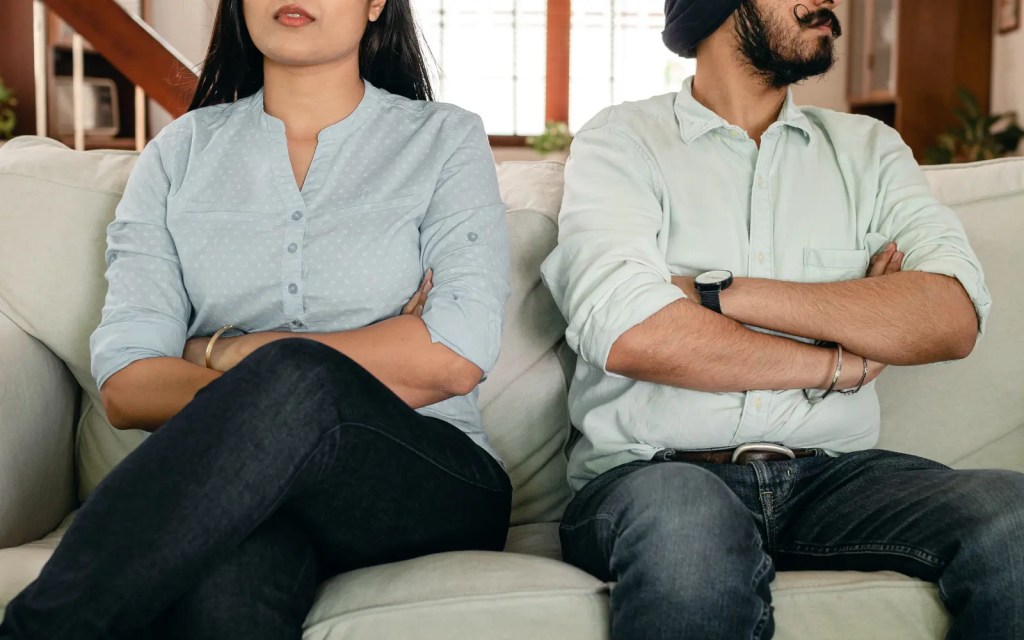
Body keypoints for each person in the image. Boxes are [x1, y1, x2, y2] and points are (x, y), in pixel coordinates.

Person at [0, 1, 512, 638]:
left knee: (296, 376)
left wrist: (226, 353)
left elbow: (451, 357)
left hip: (425, 479)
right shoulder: (178, 154)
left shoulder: (444, 139)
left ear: (376, 1)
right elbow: (129, 386)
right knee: (223, 599)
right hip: (240, 492)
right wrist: (294, 394)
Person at [540, 0, 1024, 638]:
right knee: (687, 527)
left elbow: (951, 314)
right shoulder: (622, 140)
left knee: (1012, 514)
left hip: (835, 477)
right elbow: (633, 332)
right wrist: (839, 363)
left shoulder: (868, 150)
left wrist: (716, 292)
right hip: (659, 474)